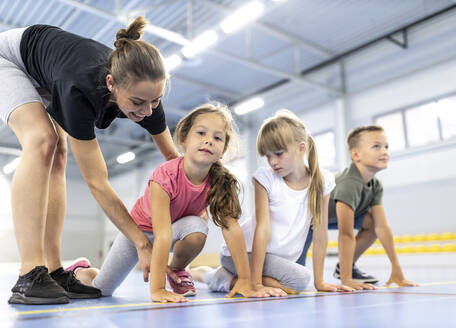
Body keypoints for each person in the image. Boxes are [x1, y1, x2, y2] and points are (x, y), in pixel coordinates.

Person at [0, 16, 181, 305]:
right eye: (137, 103)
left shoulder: (145, 93)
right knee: (42, 141)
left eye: (156, 101)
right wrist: (141, 244)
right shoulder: (78, 88)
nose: (148, 111)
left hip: (50, 70)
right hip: (9, 59)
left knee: (60, 154)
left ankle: (54, 270)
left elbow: (176, 161)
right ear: (112, 84)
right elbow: (97, 182)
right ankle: (29, 274)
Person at [69, 103, 275, 302]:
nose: (209, 140)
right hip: (138, 233)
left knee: (197, 227)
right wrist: (158, 289)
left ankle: (178, 270)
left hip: (177, 230)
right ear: (184, 139)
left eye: (217, 137)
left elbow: (232, 228)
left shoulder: (221, 181)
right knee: (101, 289)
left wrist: (246, 281)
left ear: (223, 150)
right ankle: (82, 271)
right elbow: (162, 233)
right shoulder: (166, 175)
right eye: (201, 133)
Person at [192, 110, 353, 295]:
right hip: (241, 254)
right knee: (299, 281)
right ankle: (229, 277)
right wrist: (257, 283)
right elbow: (263, 229)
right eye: (268, 156)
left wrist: (320, 282)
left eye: (278, 153)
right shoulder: (266, 179)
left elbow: (320, 232)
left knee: (298, 282)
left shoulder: (323, 180)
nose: (273, 162)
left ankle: (218, 277)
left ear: (301, 148)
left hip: (278, 260)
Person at [298, 125, 419, 290]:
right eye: (376, 146)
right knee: (295, 277)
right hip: (306, 222)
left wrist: (397, 270)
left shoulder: (375, 185)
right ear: (355, 155)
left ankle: (345, 266)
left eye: (386, 146)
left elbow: (382, 227)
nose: (384, 151)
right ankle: (344, 272)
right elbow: (346, 234)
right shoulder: (350, 182)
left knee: (371, 223)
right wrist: (346, 281)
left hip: (330, 218)